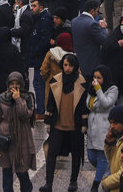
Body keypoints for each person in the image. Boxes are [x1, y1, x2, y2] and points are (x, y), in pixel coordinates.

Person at [42, 53, 88, 192]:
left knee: (76, 154)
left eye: (70, 65)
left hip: (74, 126)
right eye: (65, 65)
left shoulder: (82, 82)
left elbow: (83, 106)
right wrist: (48, 122)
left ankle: (73, 182)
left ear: (75, 66)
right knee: (51, 154)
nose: (67, 68)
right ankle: (48, 183)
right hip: (58, 125)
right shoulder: (55, 80)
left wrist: (84, 124)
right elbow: (50, 103)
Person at [0, 71, 36, 192]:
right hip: (5, 139)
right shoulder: (1, 98)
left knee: (21, 171)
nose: (14, 86)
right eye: (11, 84)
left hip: (21, 138)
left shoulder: (28, 97)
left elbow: (25, 115)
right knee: (6, 172)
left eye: (17, 84)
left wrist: (18, 100)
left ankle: (27, 188)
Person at [86, 66, 120, 192]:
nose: (95, 80)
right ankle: (106, 170)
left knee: (102, 157)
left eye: (99, 78)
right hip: (92, 127)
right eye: (94, 77)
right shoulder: (91, 90)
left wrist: (99, 90)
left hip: (104, 126)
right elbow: (89, 105)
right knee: (91, 157)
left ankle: (96, 184)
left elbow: (106, 103)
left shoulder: (112, 89)